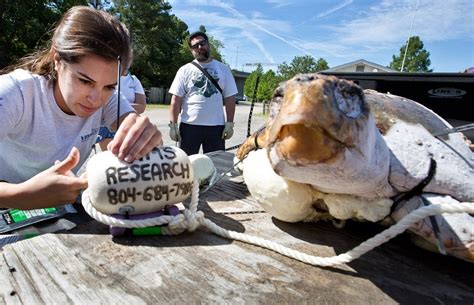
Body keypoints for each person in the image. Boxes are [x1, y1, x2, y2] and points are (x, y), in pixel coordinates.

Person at [0, 6, 162, 210]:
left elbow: (133, 124)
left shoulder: (109, 98)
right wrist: (19, 196)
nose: (96, 99)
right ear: (57, 59)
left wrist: (144, 136)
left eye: (110, 86)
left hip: (63, 211)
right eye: (85, 81)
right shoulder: (14, 93)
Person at [168, 31, 238, 155]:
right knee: (187, 164)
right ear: (191, 50)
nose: (200, 47)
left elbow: (230, 98)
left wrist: (230, 123)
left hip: (216, 127)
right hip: (189, 127)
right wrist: (173, 125)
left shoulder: (223, 69)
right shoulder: (184, 70)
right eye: (195, 46)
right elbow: (176, 99)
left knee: (216, 164)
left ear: (208, 45)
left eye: (202, 43)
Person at [98, 64, 146, 150]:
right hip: (105, 125)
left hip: (123, 120)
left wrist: (122, 104)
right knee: (109, 157)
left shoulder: (133, 80)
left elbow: (142, 106)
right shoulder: (107, 76)